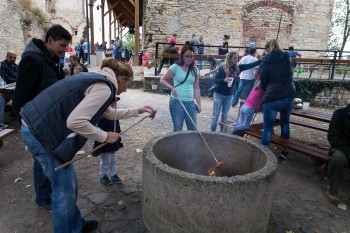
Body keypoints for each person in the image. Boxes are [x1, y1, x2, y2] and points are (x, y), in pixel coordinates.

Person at [19, 58, 157, 233]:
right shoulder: (105, 87)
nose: (126, 89)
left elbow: (108, 113)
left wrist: (138, 110)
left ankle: (76, 226)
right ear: (122, 78)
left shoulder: (99, 79)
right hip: (40, 133)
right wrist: (105, 136)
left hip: (35, 126)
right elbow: (75, 121)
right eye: (127, 84)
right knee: (64, 191)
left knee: (68, 186)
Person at [13, 24, 72, 213]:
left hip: (48, 119)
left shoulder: (51, 58)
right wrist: (28, 124)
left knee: (46, 160)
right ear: (50, 41)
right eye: (62, 45)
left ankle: (45, 194)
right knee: (42, 161)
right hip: (37, 122)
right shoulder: (32, 59)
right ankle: (42, 197)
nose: (64, 50)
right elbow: (21, 97)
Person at [259, 39, 295, 155]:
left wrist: (267, 91)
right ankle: (284, 151)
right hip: (288, 95)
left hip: (272, 97)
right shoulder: (286, 56)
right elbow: (290, 74)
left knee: (268, 128)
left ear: (267, 48)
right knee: (285, 124)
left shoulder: (265, 61)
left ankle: (265, 154)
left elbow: (263, 81)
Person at [160, 45, 201, 132]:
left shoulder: (195, 69)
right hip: (177, 102)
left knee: (193, 129)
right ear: (182, 56)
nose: (189, 59)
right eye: (187, 56)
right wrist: (172, 88)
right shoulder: (175, 67)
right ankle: (177, 145)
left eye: (191, 56)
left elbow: (196, 88)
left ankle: (191, 146)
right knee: (178, 129)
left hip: (190, 103)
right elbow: (162, 80)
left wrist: (199, 104)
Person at [325, 104, 350, 204]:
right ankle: (331, 188)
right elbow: (333, 137)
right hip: (340, 148)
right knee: (338, 158)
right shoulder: (340, 114)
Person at [210, 52, 239, 132]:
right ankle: (212, 132)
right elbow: (215, 80)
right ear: (230, 59)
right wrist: (224, 80)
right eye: (235, 58)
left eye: (237, 57)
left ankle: (222, 133)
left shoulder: (236, 69)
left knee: (225, 116)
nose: (237, 59)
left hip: (229, 95)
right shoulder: (223, 68)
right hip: (219, 94)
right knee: (215, 115)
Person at [93, 117, 123, 186]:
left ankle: (113, 175)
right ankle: (102, 176)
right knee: (106, 162)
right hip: (105, 145)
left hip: (113, 143)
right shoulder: (102, 118)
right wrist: (97, 148)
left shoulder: (115, 116)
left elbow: (117, 129)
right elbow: (99, 133)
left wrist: (117, 138)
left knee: (113, 161)